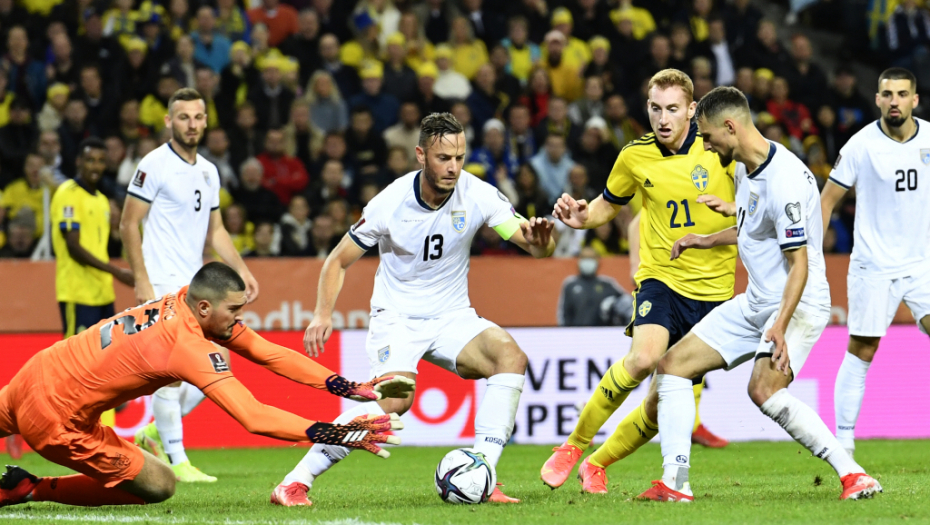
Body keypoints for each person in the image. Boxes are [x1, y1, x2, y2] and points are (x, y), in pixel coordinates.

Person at [270, 112, 556, 507]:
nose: (453, 167)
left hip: (452, 315)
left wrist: (542, 243)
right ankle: (294, 481)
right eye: (443, 158)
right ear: (421, 155)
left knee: (510, 356)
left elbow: (532, 244)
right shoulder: (390, 202)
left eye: (458, 156)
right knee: (392, 403)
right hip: (398, 319)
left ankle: (482, 473)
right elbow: (337, 260)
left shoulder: (478, 193)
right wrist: (322, 313)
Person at [635, 86, 881, 502]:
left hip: (796, 303)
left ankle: (854, 475)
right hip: (756, 301)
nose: (708, 148)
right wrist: (704, 240)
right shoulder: (746, 167)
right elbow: (752, 228)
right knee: (672, 365)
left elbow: (799, 264)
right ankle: (675, 485)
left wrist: (780, 327)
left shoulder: (783, 179)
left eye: (710, 138)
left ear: (730, 127)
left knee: (764, 390)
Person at [0, 262, 411, 508]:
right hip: (57, 417)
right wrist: (335, 432)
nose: (238, 320)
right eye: (233, 311)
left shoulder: (183, 302)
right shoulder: (188, 346)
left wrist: (346, 386)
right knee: (159, 485)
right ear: (204, 307)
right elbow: (252, 417)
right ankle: (30, 488)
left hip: (35, 372)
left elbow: (267, 352)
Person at [540, 69, 734, 494]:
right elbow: (608, 205)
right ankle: (572, 445)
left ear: (692, 110)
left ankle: (597, 463)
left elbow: (756, 211)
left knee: (659, 400)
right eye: (654, 109)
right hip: (661, 278)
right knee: (643, 359)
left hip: (716, 293)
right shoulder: (634, 155)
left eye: (672, 109)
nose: (662, 119)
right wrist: (583, 217)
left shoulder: (722, 149)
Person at [120, 88, 259, 483]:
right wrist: (143, 278)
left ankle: (153, 434)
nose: (192, 124)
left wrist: (242, 270)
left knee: (218, 364)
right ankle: (178, 460)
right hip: (163, 281)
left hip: (196, 286)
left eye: (198, 117)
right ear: (169, 121)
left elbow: (216, 229)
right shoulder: (154, 165)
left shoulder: (209, 171)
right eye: (184, 117)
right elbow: (129, 223)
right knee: (173, 371)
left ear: (205, 121)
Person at [821, 68, 930, 459]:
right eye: (888, 94)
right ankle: (845, 443)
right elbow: (827, 199)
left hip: (922, 264)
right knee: (862, 350)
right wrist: (811, 256)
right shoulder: (860, 145)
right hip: (873, 266)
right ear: (878, 99)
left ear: (914, 100)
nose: (895, 101)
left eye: (903, 94)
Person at [51, 137, 135, 340]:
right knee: (74, 357)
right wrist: (116, 271)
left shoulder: (102, 201)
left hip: (103, 293)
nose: (95, 166)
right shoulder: (68, 193)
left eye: (100, 160)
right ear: (79, 161)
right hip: (77, 291)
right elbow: (73, 246)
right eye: (90, 160)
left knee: (102, 357)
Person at [557, 246, 631, 327]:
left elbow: (628, 302)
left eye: (591, 258)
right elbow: (562, 314)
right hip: (576, 335)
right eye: (584, 257)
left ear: (597, 260)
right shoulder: (570, 284)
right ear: (578, 260)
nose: (588, 261)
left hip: (601, 334)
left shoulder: (607, 283)